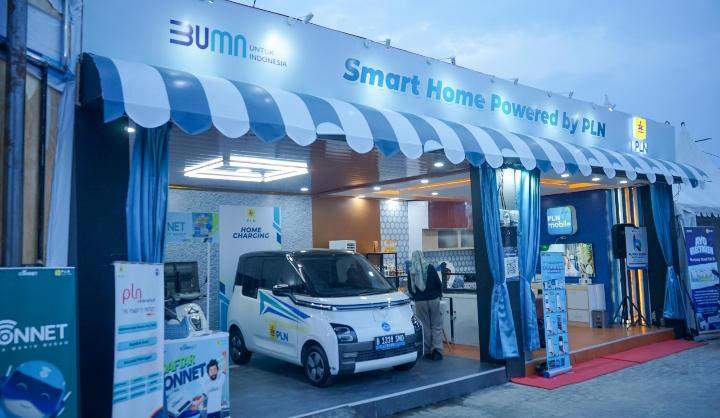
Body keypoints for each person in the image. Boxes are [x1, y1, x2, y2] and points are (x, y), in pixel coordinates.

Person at [406, 250, 444, 361]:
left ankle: (426, 351)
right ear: (422, 257)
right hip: (433, 299)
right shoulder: (430, 268)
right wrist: (439, 294)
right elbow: (438, 283)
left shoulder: (411, 271)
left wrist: (416, 296)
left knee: (424, 326)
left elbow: (410, 289)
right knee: (436, 325)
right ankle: (437, 351)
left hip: (420, 301)